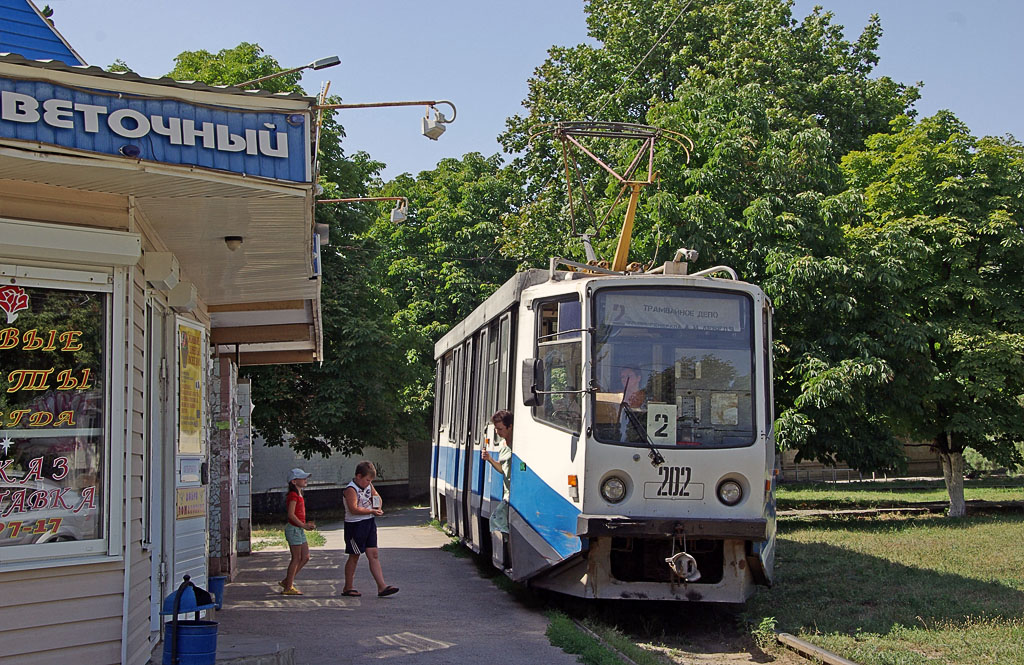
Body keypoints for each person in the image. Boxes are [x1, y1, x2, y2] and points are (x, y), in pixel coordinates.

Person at [342, 461, 399, 597]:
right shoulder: (351, 489)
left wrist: (377, 507)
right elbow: (353, 509)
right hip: (355, 525)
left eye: (370, 481)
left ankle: (382, 586)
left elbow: (376, 497)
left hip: (369, 523)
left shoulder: (368, 485)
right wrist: (371, 511)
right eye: (367, 480)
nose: (368, 483)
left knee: (373, 554)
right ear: (358, 476)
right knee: (354, 555)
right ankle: (348, 586)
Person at [280, 468, 315, 596]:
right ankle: (288, 587)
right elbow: (291, 515)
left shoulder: (299, 494)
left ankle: (287, 581)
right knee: (296, 558)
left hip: (298, 529)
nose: (305, 480)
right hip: (294, 529)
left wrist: (304, 525)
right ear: (294, 481)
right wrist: (303, 525)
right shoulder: (293, 495)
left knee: (305, 557)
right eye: (302, 478)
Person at [480, 409, 513, 533]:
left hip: (514, 492)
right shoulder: (502, 445)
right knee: (498, 518)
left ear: (510, 427)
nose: (497, 432)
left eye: (500, 429)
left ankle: (505, 544)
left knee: (496, 518)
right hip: (507, 491)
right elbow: (503, 469)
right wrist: (489, 459)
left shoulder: (519, 445)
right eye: (496, 429)